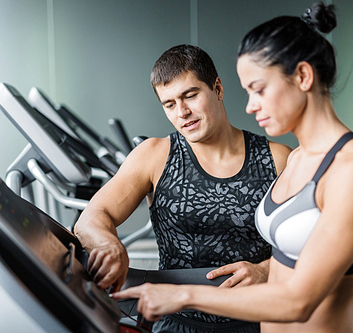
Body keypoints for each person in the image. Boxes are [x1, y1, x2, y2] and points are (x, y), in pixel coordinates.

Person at [112, 3, 353, 332]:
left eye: (259, 89)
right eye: (247, 92)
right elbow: (293, 260)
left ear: (302, 76)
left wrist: (184, 295)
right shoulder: (300, 159)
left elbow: (297, 301)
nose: (249, 105)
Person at [74, 44, 291, 332]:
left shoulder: (278, 159)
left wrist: (266, 269)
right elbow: (92, 216)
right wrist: (108, 244)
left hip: (255, 318)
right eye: (169, 104)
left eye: (190, 95)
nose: (182, 112)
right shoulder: (154, 155)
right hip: (176, 321)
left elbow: (311, 247)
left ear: (217, 88)